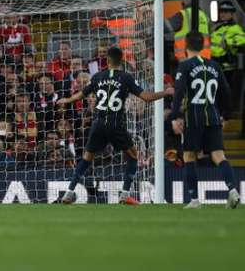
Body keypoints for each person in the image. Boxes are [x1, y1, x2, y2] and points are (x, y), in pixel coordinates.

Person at [56, 47, 173, 205]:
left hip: (98, 123)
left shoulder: (97, 76)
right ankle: (125, 195)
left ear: (108, 60)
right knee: (133, 156)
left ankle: (69, 192)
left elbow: (82, 93)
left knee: (86, 158)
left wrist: (67, 100)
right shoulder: (126, 78)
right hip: (116, 123)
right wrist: (165, 93)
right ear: (121, 60)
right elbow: (147, 97)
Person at [171, 31, 239, 209]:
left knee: (189, 156)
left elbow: (178, 92)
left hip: (193, 117)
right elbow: (226, 91)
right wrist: (225, 114)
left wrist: (175, 116)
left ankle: (194, 200)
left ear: (186, 46)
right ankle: (232, 190)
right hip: (213, 116)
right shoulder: (215, 66)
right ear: (203, 46)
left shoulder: (185, 66)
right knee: (219, 156)